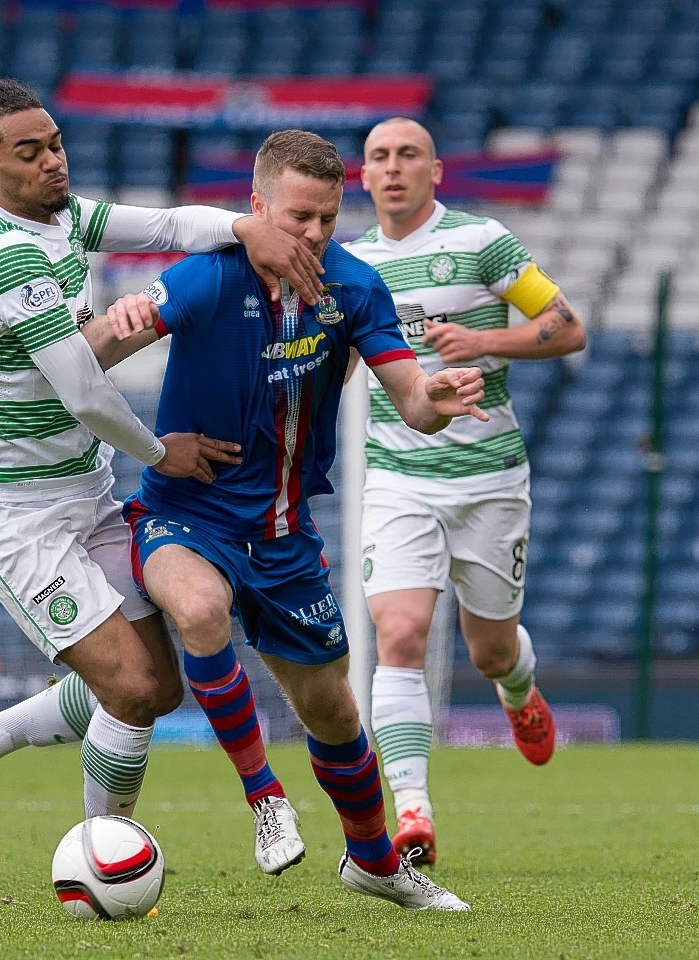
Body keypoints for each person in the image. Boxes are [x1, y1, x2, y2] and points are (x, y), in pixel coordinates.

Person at [0, 78, 327, 847]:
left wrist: (246, 228)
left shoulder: (60, 218)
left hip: (81, 489)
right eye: (29, 153)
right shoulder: (2, 257)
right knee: (132, 688)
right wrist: (160, 453)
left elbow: (169, 224)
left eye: (57, 144)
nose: (53, 164)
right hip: (7, 511)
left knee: (157, 687)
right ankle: (104, 851)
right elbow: (83, 392)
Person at [86, 130, 479, 911]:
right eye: (299, 217)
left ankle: (373, 862)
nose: (313, 235)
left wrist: (436, 402)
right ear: (257, 206)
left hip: (285, 537)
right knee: (199, 610)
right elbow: (85, 360)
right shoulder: (203, 280)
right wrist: (116, 323)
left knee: (333, 712)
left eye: (329, 218)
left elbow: (411, 401)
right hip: (184, 517)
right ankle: (265, 798)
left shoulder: (354, 286)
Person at [343, 117, 586, 867]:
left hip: (488, 478)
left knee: (489, 650)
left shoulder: (484, 243)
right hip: (396, 473)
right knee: (401, 634)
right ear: (363, 174)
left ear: (435, 170)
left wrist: (485, 340)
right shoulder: (349, 263)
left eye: (407, 155)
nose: (393, 168)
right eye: (379, 156)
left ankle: (518, 691)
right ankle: (412, 812)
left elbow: (567, 325)